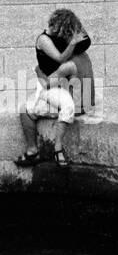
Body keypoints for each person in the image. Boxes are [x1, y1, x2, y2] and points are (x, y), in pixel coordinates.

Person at [13, 9, 93, 168]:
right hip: (87, 102)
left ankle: (36, 150)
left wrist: (38, 71)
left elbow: (46, 84)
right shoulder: (84, 56)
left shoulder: (67, 65)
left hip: (75, 106)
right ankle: (52, 151)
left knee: (25, 110)